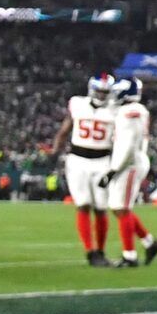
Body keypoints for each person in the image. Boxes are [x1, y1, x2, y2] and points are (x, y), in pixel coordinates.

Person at [53, 73, 120, 266]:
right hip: (78, 160)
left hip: (102, 160)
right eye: (99, 91)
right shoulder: (78, 104)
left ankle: (100, 250)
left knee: (100, 208)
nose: (101, 95)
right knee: (83, 204)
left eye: (105, 92)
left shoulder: (115, 110)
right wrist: (55, 149)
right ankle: (90, 252)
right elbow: (64, 130)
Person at [101, 78, 157, 266]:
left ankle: (130, 256)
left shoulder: (131, 112)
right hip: (129, 162)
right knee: (118, 207)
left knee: (123, 208)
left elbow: (128, 146)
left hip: (129, 163)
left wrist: (113, 171)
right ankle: (149, 242)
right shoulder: (133, 110)